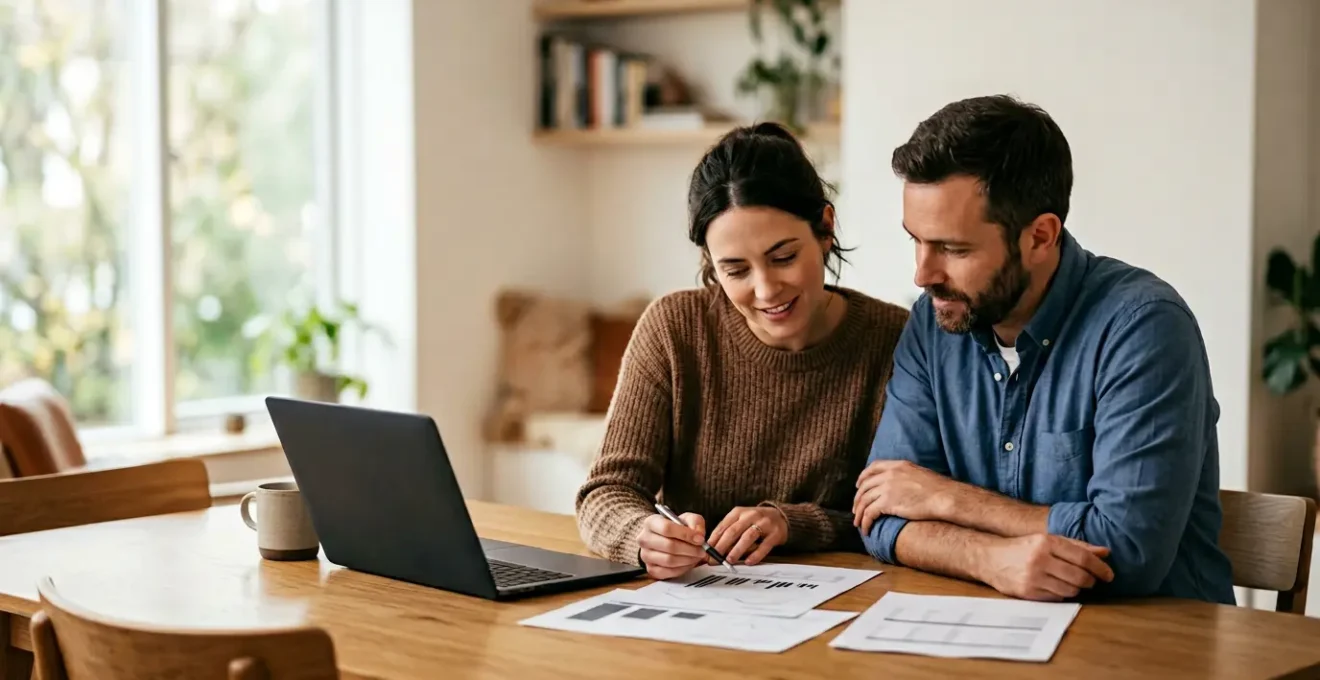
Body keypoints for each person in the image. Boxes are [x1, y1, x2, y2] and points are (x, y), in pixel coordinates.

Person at [853, 95, 1235, 604]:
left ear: (1040, 236)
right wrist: (988, 559)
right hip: (993, 636)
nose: (923, 274)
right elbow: (881, 515)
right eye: (916, 241)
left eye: (954, 249)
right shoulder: (935, 319)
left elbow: (1125, 549)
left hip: (1156, 646)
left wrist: (945, 498)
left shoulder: (1144, 328)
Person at [575, 122, 909, 580]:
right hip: (699, 606)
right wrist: (643, 536)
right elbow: (606, 492)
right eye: (735, 270)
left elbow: (897, 514)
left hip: (843, 608)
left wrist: (790, 523)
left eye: (783, 257)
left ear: (825, 229)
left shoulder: (893, 340)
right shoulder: (674, 329)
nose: (766, 289)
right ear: (710, 265)